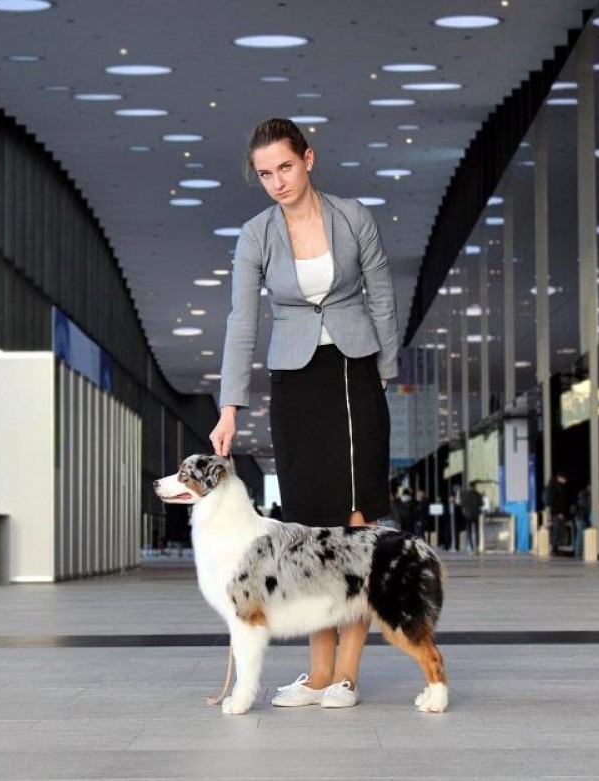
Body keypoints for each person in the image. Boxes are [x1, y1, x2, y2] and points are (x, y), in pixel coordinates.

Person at [210, 118, 398, 710]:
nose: (277, 182)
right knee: (309, 531)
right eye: (265, 174)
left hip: (355, 371)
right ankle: (317, 674)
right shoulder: (255, 235)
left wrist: (384, 372)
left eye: (285, 167)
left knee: (357, 525)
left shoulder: (353, 217)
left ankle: (346, 675)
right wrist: (229, 406)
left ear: (308, 159)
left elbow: (382, 295)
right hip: (295, 381)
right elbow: (242, 321)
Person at [543, 471, 569, 556]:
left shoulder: (555, 485)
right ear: (559, 478)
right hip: (556, 513)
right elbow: (554, 502)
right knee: (557, 530)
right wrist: (558, 513)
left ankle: (555, 549)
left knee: (557, 530)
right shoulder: (555, 486)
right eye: (564, 479)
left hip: (555, 512)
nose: (565, 480)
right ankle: (554, 549)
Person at [460, 481, 484, 554]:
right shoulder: (478, 494)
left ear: (469, 486)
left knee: (469, 531)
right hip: (476, 514)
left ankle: (471, 547)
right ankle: (477, 547)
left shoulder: (465, 494)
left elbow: (462, 504)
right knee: (477, 531)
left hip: (468, 515)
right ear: (475, 487)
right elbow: (481, 504)